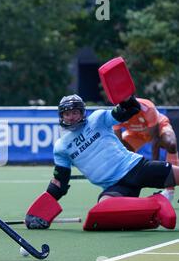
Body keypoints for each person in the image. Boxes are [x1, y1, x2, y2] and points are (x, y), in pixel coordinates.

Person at [25, 94, 178, 230]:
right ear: (61, 116)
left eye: (75, 112)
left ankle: (155, 205)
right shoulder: (61, 147)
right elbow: (60, 183)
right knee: (103, 209)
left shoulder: (98, 119)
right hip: (115, 187)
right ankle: (158, 203)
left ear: (82, 113)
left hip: (136, 167)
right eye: (67, 114)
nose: (71, 117)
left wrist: (126, 99)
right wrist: (40, 211)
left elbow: (125, 111)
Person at [113, 98, 178, 202]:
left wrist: (157, 173)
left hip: (157, 129)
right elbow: (118, 144)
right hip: (135, 134)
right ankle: (124, 187)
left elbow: (155, 140)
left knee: (171, 144)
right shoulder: (117, 113)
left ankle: (169, 191)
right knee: (122, 150)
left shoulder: (148, 108)